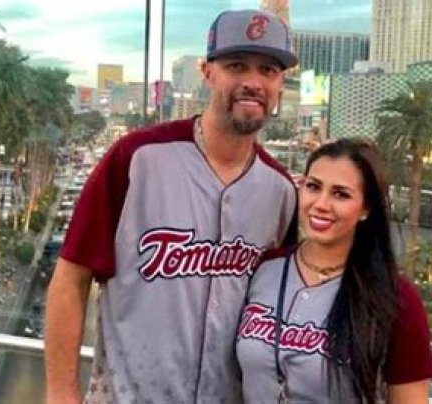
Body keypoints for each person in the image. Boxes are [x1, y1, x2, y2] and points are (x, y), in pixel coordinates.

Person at [44, 8, 299, 404]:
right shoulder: (137, 158)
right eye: (236, 65)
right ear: (207, 72)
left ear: (280, 82)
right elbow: (71, 277)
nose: (253, 82)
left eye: (268, 69)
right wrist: (62, 394)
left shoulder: (281, 191)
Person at [236, 138, 432, 403]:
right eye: (313, 187)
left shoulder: (396, 298)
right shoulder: (265, 268)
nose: (321, 203)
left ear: (366, 208)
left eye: (340, 194)